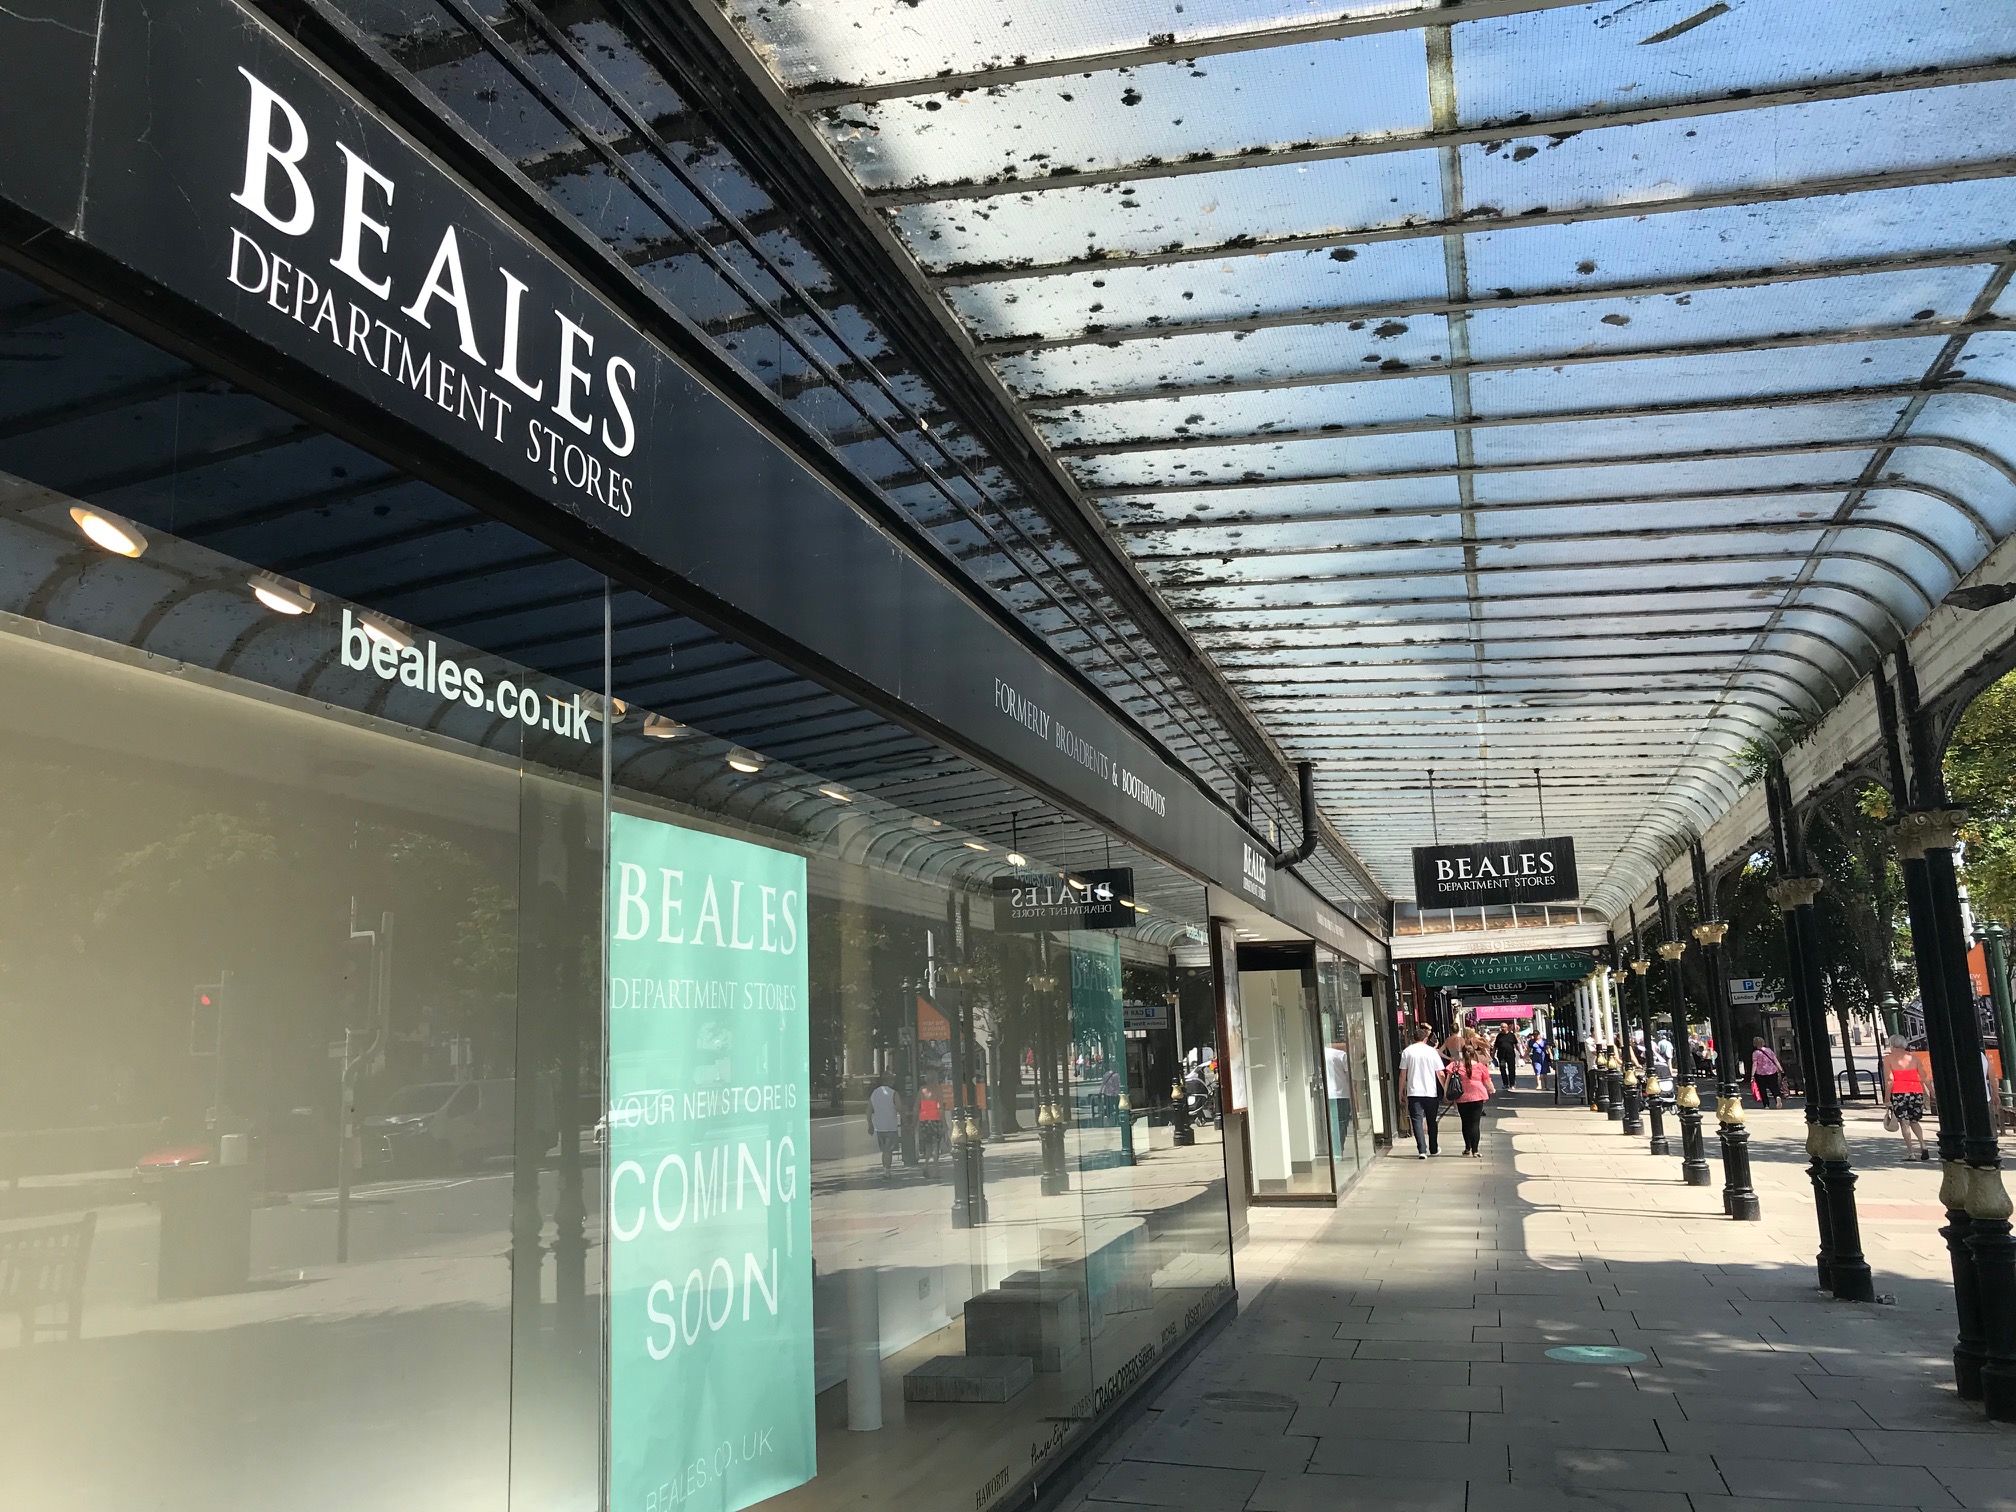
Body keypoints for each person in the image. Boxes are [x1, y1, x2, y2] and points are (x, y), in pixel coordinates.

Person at [1401, 1022, 1446, 1159]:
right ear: (1426, 1039)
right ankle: (1433, 1147)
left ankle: (1421, 1150)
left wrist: (1400, 1092)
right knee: (1432, 1121)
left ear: (1413, 1038)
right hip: (1430, 1092)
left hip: (1414, 1092)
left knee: (1417, 1120)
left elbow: (1403, 1074)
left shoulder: (1407, 1052)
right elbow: (1440, 1073)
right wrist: (1446, 1090)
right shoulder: (1432, 1052)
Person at [1883, 1034, 1929, 1160]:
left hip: (1899, 1092)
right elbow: (1924, 1075)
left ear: (1892, 1045)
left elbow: (1889, 1080)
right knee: (1914, 1120)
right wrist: (1931, 1090)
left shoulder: (1888, 1059)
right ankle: (1923, 1144)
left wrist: (1887, 1099)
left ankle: (1911, 1153)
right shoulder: (1913, 1057)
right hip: (1916, 1091)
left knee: (1904, 1122)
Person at [1451, 1045, 1495, 1157]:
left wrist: (1447, 1093)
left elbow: (1448, 1078)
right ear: (1473, 1053)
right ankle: (1475, 1150)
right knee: (1475, 1123)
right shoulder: (1480, 1066)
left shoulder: (1456, 1065)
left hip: (1462, 1096)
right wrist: (1492, 1089)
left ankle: (1467, 1148)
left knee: (1465, 1122)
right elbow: (1487, 1080)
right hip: (1478, 1095)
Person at [868, 1080, 903, 1176]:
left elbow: (869, 1110)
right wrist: (905, 1120)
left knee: (885, 1150)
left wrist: (870, 1124)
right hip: (890, 1126)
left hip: (879, 1127)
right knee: (888, 1150)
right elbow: (899, 1108)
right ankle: (886, 1172)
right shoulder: (893, 1093)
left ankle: (886, 1169)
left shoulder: (874, 1093)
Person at [1749, 1037, 1784, 1108]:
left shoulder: (1755, 1053)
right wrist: (1781, 1069)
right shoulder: (1769, 1050)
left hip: (1760, 1073)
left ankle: (1766, 1104)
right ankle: (1777, 1097)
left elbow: (1755, 1064)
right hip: (1772, 1071)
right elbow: (1775, 1060)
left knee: (1762, 1089)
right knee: (1774, 1087)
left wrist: (1752, 1075)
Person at [1493, 1026, 1519, 1091]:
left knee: (1511, 1069)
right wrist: (1492, 1055)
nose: (1502, 1029)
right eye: (1501, 1027)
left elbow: (1516, 1044)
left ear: (1507, 1027)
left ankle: (1512, 1083)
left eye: (1503, 1027)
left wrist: (1520, 1052)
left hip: (1510, 1055)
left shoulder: (1511, 1035)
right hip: (1501, 1055)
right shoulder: (1499, 1036)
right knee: (1502, 1069)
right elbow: (1495, 1046)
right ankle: (1505, 1084)